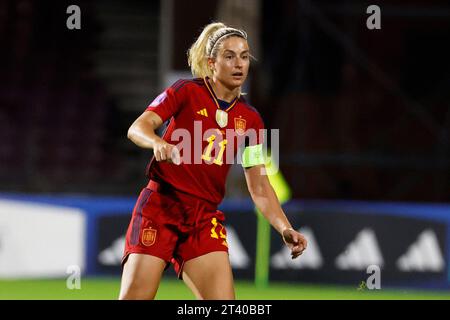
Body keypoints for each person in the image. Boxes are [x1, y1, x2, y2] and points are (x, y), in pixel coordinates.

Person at [119, 22, 307, 300]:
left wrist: (285, 227)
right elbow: (137, 128)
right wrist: (158, 142)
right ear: (212, 62)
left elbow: (259, 187)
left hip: (203, 219)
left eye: (244, 56)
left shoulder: (251, 121)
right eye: (229, 56)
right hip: (160, 209)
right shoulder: (185, 91)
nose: (239, 64)